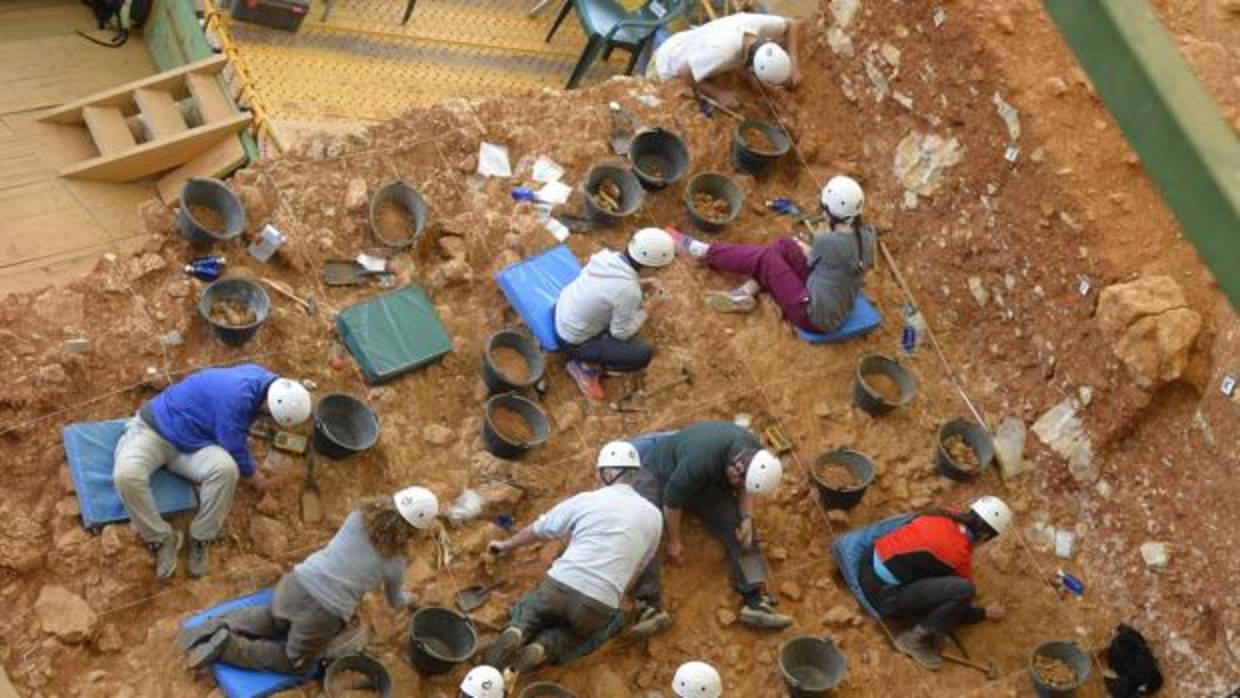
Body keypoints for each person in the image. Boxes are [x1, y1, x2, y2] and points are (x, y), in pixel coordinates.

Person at [179, 487, 439, 673]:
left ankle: (214, 626)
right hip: (323, 613)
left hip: (296, 583)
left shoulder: (358, 517)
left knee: (273, 620)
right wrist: (409, 599)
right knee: (298, 663)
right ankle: (229, 647)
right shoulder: (395, 562)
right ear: (412, 530)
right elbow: (394, 600)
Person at [113, 363, 312, 580]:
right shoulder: (236, 400)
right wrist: (257, 479)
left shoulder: (269, 382)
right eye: (269, 418)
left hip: (194, 442)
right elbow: (234, 446)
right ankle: (161, 538)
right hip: (155, 430)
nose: (267, 422)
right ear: (268, 405)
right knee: (126, 476)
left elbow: (234, 439)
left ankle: (201, 536)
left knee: (226, 470)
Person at [482, 441, 662, 675]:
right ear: (635, 475)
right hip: (600, 602)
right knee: (583, 634)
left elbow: (541, 529)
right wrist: (613, 598)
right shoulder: (655, 517)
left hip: (560, 585)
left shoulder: (587, 500)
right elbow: (638, 569)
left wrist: (506, 545)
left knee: (530, 611)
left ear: (607, 473)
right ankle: (544, 647)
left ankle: (518, 630)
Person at [627, 421, 790, 635]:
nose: (738, 486)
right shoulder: (700, 461)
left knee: (742, 530)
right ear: (736, 464)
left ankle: (756, 600)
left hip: (707, 484)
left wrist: (746, 518)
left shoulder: (755, 455)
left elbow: (745, 487)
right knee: (642, 525)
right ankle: (648, 606)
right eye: (737, 479)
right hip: (658, 473)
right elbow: (671, 501)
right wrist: (675, 542)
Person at [670, 175, 876, 335]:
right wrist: (801, 247)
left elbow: (816, 258)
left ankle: (704, 252)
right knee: (784, 245)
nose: (821, 212)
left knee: (769, 258)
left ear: (830, 210)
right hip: (838, 305)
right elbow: (831, 262)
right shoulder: (868, 236)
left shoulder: (827, 242)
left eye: (823, 207)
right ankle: (745, 291)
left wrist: (806, 249)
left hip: (813, 317)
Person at [859, 496, 1013, 670]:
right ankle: (912, 641)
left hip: (866, 561)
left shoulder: (942, 515)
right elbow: (958, 602)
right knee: (964, 590)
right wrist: (984, 613)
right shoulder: (958, 555)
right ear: (985, 535)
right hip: (881, 594)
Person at [554, 228, 675, 400]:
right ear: (649, 267)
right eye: (659, 269)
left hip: (560, 312)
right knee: (642, 355)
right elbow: (620, 333)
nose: (658, 273)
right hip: (572, 341)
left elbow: (610, 288)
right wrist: (650, 308)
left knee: (621, 311)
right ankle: (585, 368)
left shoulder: (606, 257)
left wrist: (640, 283)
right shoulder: (628, 291)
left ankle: (588, 360)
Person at [651, 13, 803, 105]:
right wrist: (718, 95)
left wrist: (794, 64)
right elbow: (684, 72)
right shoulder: (723, 53)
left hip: (687, 42)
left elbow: (792, 24)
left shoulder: (755, 24)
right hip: (669, 64)